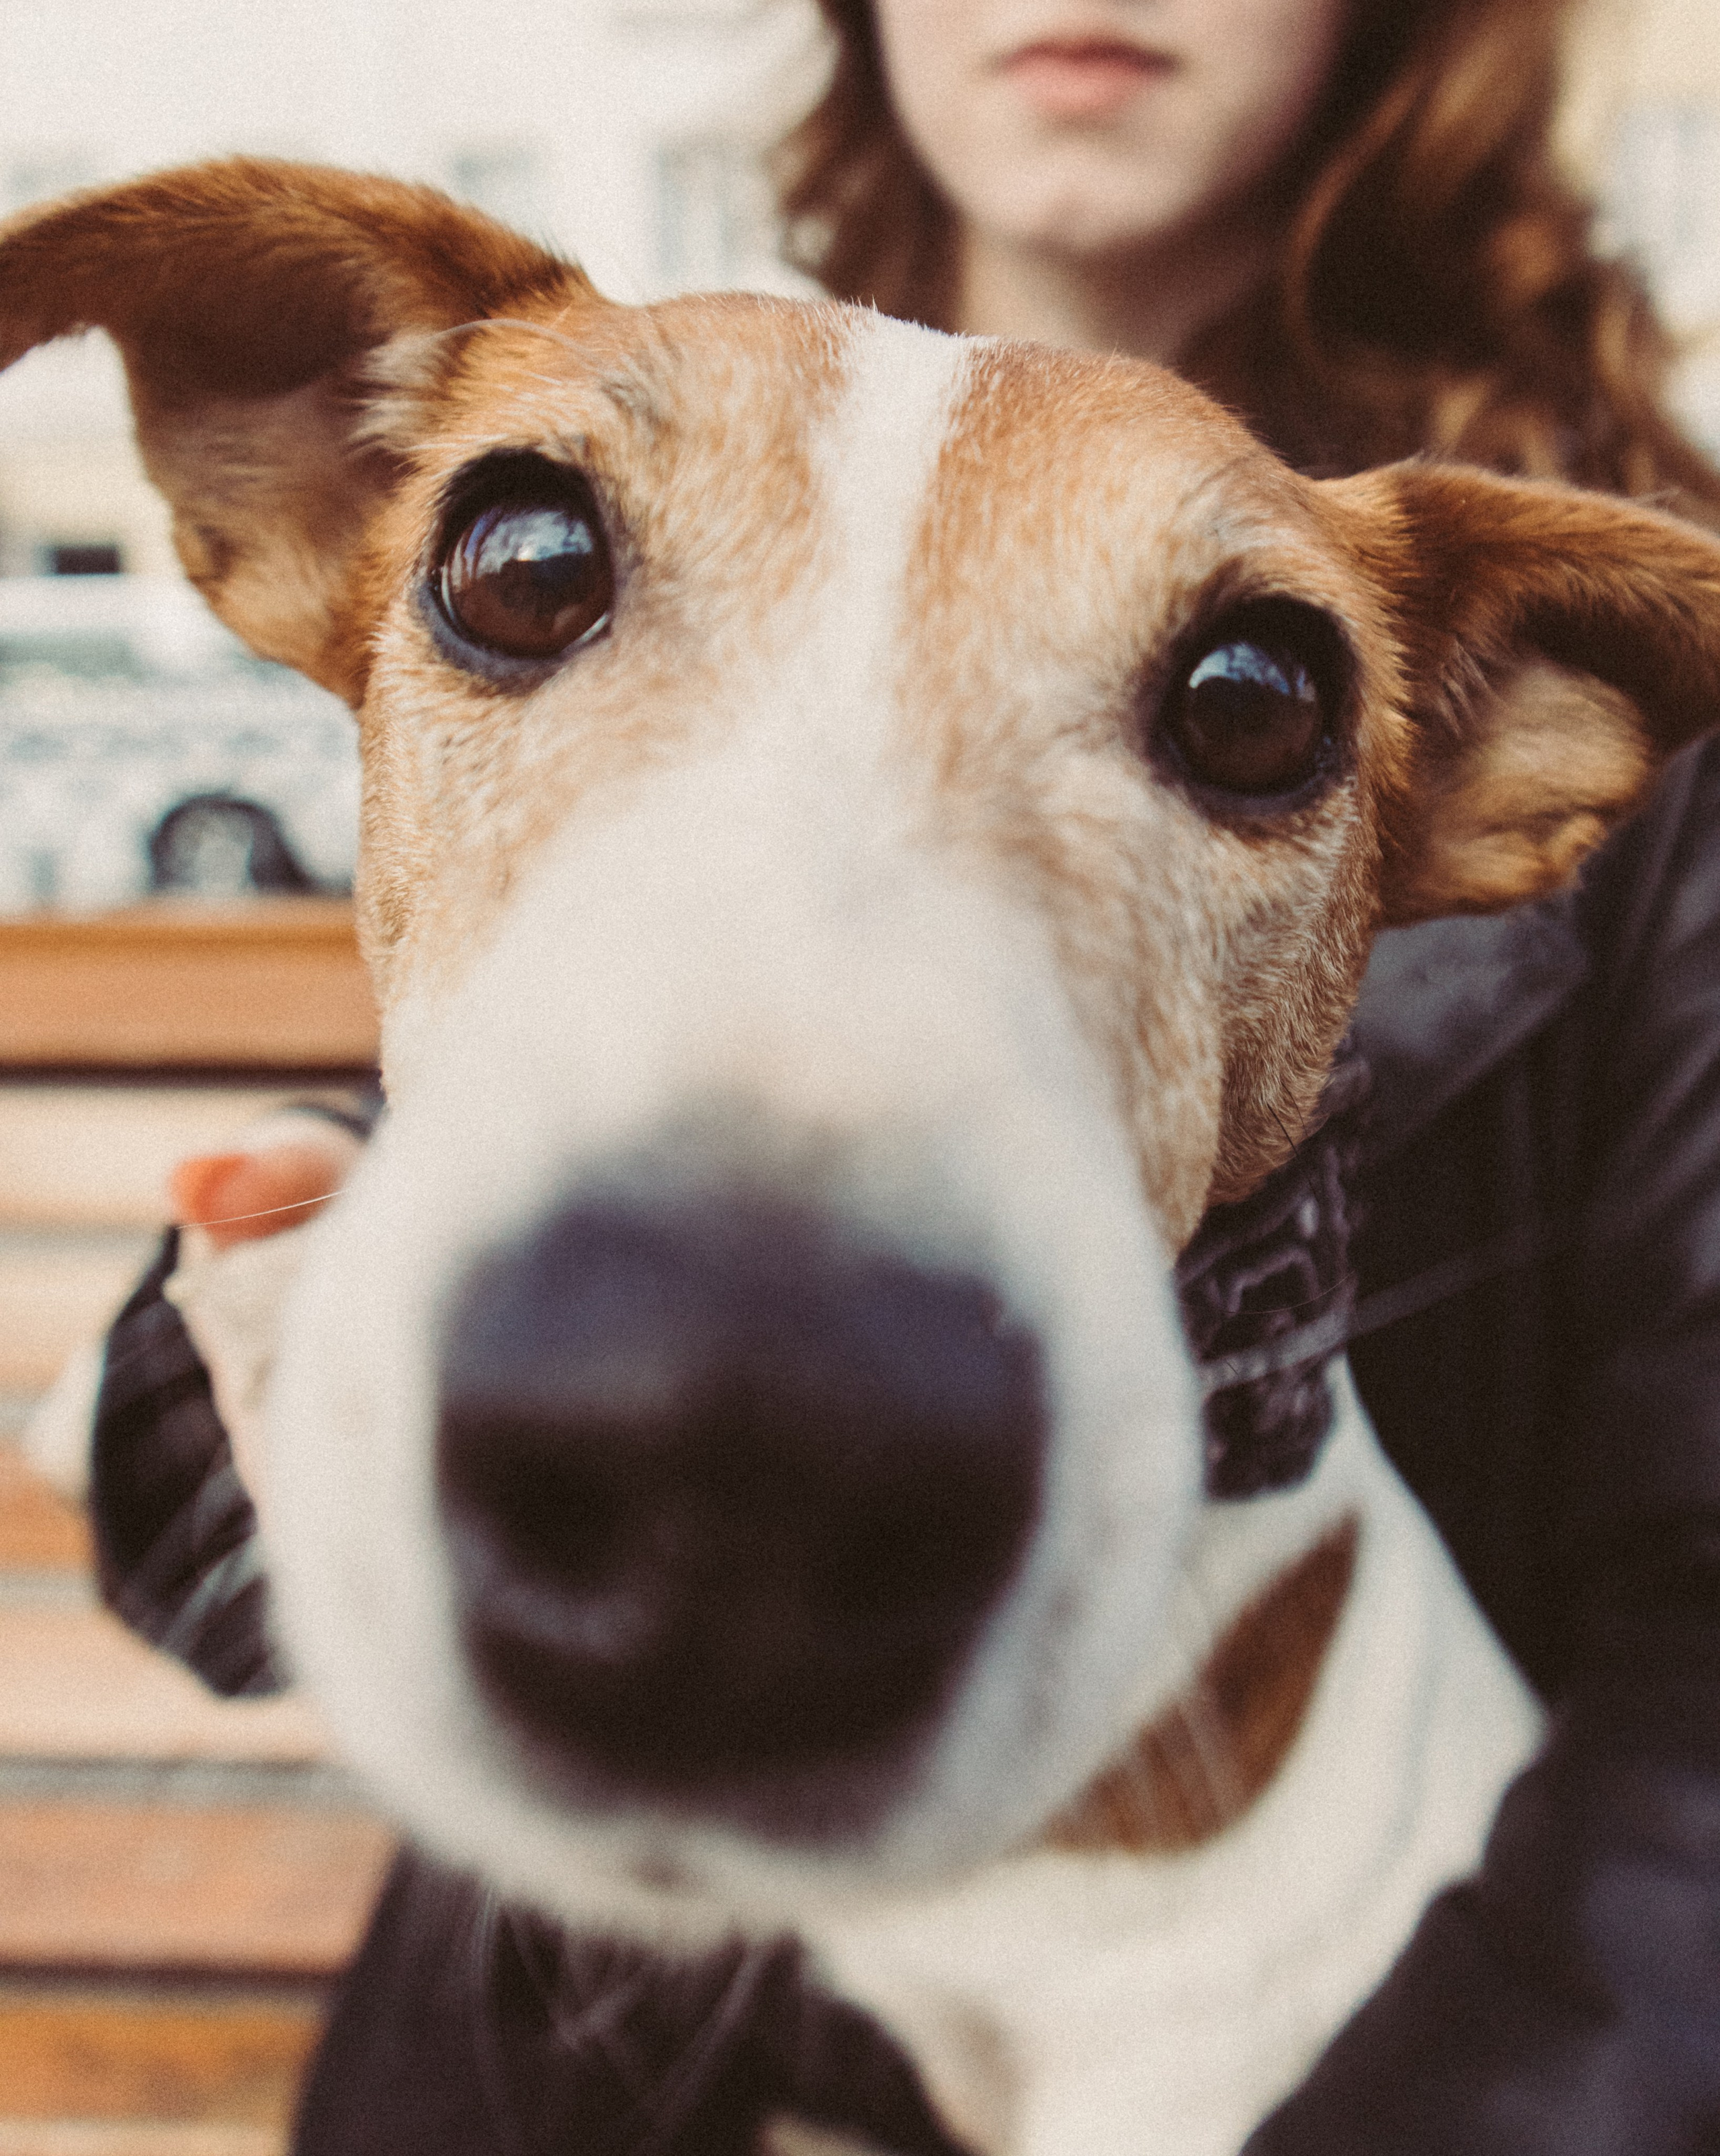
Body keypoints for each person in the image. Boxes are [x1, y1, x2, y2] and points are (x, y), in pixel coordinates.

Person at [82, 2, 1720, 2149]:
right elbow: (198, 1452)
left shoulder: (1574, 693)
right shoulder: (556, 383)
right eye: (539, 576)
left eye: (1239, 712)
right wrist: (292, 1251)